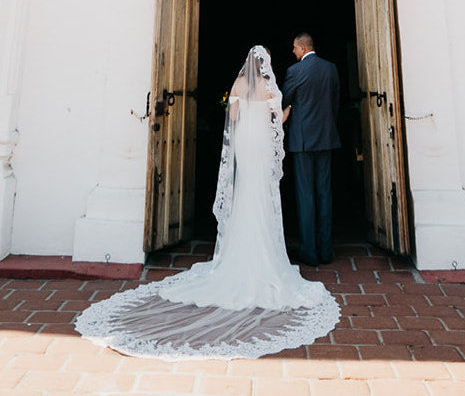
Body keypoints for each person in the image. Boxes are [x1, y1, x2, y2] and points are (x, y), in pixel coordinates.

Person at [74, 45, 339, 359]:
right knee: (264, 197)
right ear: (264, 65)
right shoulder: (270, 86)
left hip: (243, 143)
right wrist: (289, 111)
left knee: (243, 193)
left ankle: (236, 251)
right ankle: (269, 252)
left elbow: (233, 116)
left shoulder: (240, 85)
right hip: (262, 144)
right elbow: (277, 121)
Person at [281, 32, 340, 267]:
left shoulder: (295, 72)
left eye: (295, 48)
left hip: (303, 141)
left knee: (306, 196)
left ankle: (309, 253)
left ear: (303, 48)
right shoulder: (331, 68)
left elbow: (285, 99)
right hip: (326, 138)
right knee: (324, 193)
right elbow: (335, 103)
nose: (293, 52)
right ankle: (326, 251)